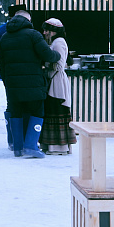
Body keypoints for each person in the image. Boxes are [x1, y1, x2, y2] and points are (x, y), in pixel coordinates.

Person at [0, 9, 59, 158]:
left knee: (16, 112)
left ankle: (18, 148)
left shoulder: (4, 37)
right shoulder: (33, 35)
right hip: (33, 83)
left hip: (12, 84)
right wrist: (59, 54)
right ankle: (31, 147)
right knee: (37, 111)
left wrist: (7, 81)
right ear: (28, 21)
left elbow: (1, 62)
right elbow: (48, 55)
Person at [0, 3, 26, 150]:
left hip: (22, 74)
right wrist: (6, 66)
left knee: (18, 105)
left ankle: (18, 140)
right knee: (13, 105)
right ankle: (14, 140)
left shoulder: (27, 29)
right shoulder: (2, 30)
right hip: (11, 75)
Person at [40, 18, 76, 155]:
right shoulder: (56, 42)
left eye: (46, 30)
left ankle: (58, 146)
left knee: (56, 109)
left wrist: (46, 63)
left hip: (57, 81)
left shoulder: (59, 42)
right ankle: (52, 145)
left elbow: (59, 65)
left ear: (54, 31)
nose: (44, 33)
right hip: (55, 79)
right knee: (53, 110)